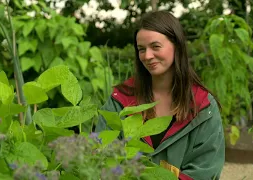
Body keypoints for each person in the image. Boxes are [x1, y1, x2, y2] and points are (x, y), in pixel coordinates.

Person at [95, 10, 225, 180]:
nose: (147, 56)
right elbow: (100, 155)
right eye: (141, 49)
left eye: (155, 46)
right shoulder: (121, 99)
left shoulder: (202, 106)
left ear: (176, 46)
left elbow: (206, 170)